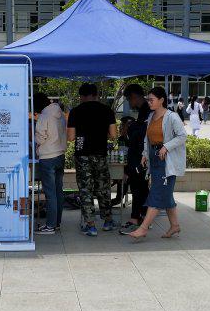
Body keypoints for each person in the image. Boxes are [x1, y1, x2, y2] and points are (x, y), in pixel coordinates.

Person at [126, 86, 187, 240]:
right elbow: (147, 139)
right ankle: (175, 225)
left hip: (166, 160)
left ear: (161, 100)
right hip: (154, 158)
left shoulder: (172, 117)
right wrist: (145, 155)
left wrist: (166, 147)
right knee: (165, 194)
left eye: (152, 100)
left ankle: (143, 228)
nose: (149, 102)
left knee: (156, 192)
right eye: (148, 99)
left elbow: (182, 136)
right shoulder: (150, 116)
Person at [67, 83, 117, 236]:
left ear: (81, 96)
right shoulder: (107, 110)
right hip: (100, 153)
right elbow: (113, 135)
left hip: (82, 153)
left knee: (85, 189)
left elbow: (71, 137)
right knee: (103, 188)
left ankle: (91, 226)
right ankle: (108, 221)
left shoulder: (75, 111)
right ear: (96, 95)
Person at [33, 93, 67, 235]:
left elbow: (40, 138)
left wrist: (36, 143)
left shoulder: (44, 116)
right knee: (58, 191)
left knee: (50, 193)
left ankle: (50, 225)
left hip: (48, 157)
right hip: (60, 155)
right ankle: (57, 223)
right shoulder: (60, 113)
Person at [119, 83, 150, 234]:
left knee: (138, 188)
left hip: (139, 156)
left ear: (134, 97)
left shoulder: (148, 110)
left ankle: (135, 219)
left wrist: (130, 127)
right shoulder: (144, 110)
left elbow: (142, 134)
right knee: (141, 188)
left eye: (128, 99)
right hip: (139, 155)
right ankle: (142, 216)